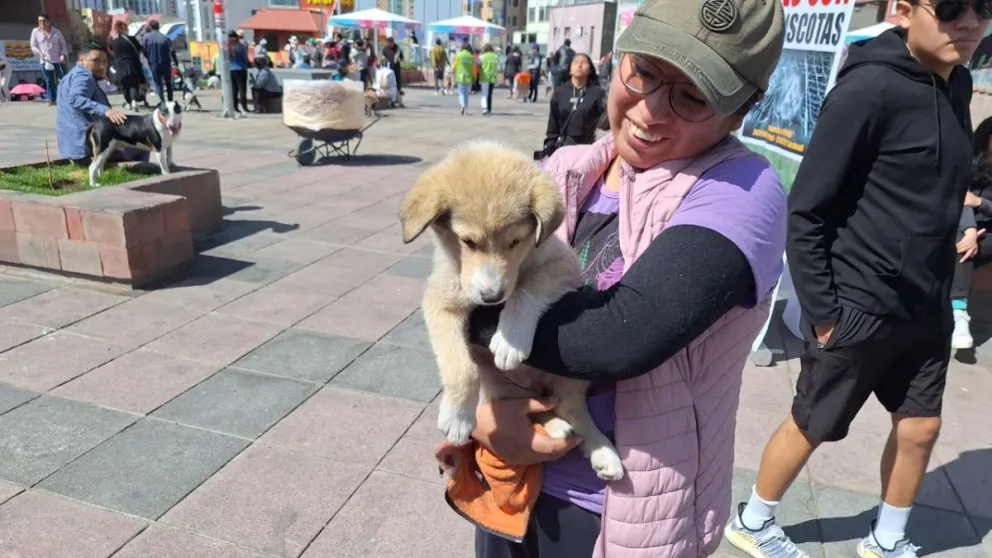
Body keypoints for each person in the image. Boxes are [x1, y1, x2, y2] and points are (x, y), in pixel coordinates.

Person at [460, 0, 786, 555]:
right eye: (644, 71)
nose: (652, 109)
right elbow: (471, 278)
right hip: (510, 480)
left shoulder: (742, 192)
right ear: (621, 55)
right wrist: (483, 416)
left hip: (618, 505)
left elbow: (618, 337)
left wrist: (478, 318)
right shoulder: (566, 169)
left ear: (742, 110)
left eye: (693, 95)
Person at [724, 2, 989, 558]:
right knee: (812, 422)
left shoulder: (959, 85)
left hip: (928, 302)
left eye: (984, 8)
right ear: (904, 11)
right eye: (950, 8)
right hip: (860, 300)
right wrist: (824, 312)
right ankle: (753, 519)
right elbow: (808, 209)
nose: (969, 22)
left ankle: (887, 539)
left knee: (920, 429)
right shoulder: (868, 89)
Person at [56, 46, 147, 167]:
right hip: (87, 148)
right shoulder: (84, 77)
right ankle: (142, 173)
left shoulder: (70, 76)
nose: (102, 66)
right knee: (142, 145)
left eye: (104, 61)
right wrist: (107, 111)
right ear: (81, 60)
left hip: (72, 148)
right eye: (95, 61)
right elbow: (75, 99)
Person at [951, 115, 992, 349]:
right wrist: (970, 231)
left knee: (962, 247)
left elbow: (973, 201)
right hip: (963, 227)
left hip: (990, 235)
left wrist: (981, 203)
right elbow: (961, 199)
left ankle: (957, 310)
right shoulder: (968, 164)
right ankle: (959, 312)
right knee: (962, 244)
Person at [542, 53, 604, 157]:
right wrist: (549, 146)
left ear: (589, 70)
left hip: (587, 147)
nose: (579, 65)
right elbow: (553, 124)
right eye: (576, 63)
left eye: (584, 63)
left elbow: (605, 123)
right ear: (570, 69)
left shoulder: (597, 93)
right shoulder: (560, 93)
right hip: (564, 147)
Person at [30, 13, 68, 105]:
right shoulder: (36, 31)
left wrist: (63, 55)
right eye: (39, 21)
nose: (41, 23)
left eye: (43, 21)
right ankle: (52, 99)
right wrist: (39, 53)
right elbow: (33, 46)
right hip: (45, 61)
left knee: (62, 80)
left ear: (49, 22)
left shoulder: (56, 32)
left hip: (58, 60)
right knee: (49, 80)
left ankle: (65, 98)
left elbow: (63, 45)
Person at [140, 19, 180, 105]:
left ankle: (162, 101)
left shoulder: (146, 37)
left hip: (153, 63)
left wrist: (148, 59)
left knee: (158, 83)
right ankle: (170, 100)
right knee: (168, 82)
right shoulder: (166, 38)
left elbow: (144, 50)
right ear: (159, 27)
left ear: (150, 27)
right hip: (166, 63)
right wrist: (176, 63)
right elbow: (172, 51)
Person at [108, 20, 144, 111]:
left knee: (125, 85)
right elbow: (140, 49)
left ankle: (128, 102)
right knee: (133, 84)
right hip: (132, 63)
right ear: (125, 29)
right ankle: (134, 101)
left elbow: (110, 49)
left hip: (120, 65)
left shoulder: (114, 42)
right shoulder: (132, 39)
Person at [226, 30, 250, 115]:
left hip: (231, 70)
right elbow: (245, 57)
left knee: (234, 89)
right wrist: (248, 63)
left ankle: (235, 107)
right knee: (242, 89)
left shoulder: (227, 47)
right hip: (241, 68)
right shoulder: (239, 46)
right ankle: (244, 107)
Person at [453, 44, 475, 115]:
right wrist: (474, 77)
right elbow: (474, 68)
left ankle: (462, 106)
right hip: (469, 77)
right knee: (466, 94)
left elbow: (454, 66)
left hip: (460, 77)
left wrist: (453, 71)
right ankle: (466, 109)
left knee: (461, 93)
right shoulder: (471, 57)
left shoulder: (458, 55)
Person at [479, 44, 499, 115]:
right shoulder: (496, 56)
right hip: (492, 77)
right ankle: (489, 109)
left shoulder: (482, 56)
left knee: (485, 94)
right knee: (490, 94)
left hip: (484, 77)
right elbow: (498, 67)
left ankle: (485, 109)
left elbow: (477, 63)